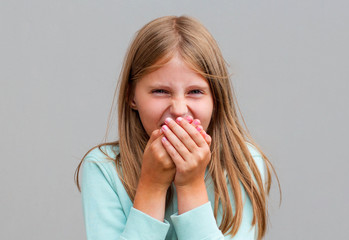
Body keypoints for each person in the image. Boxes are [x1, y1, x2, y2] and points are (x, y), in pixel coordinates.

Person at [74, 15, 280, 240]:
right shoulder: (103, 168)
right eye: (160, 91)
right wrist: (151, 186)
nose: (179, 109)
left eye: (195, 92)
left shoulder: (243, 163)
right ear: (131, 96)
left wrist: (191, 185)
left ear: (216, 98)